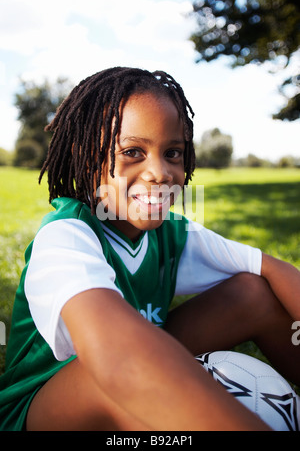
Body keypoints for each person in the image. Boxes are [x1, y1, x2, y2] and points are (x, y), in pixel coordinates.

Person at [0, 67, 299, 431]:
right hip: (44, 412)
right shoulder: (65, 237)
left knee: (252, 292)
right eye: (132, 151)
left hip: (129, 370)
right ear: (85, 156)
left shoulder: (173, 233)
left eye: (172, 152)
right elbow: (118, 358)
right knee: (117, 365)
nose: (160, 172)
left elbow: (272, 269)